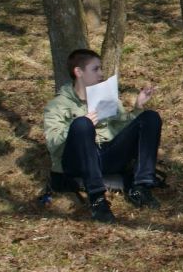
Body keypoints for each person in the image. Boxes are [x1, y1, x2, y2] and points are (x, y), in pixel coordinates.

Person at [43, 49, 162, 223]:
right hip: (77, 162)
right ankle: (97, 200)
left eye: (101, 69)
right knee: (82, 124)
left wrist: (137, 108)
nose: (101, 73)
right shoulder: (57, 105)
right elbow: (53, 145)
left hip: (106, 156)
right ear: (78, 72)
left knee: (150, 117)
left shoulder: (106, 98)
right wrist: (82, 125)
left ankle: (141, 187)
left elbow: (121, 129)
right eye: (95, 69)